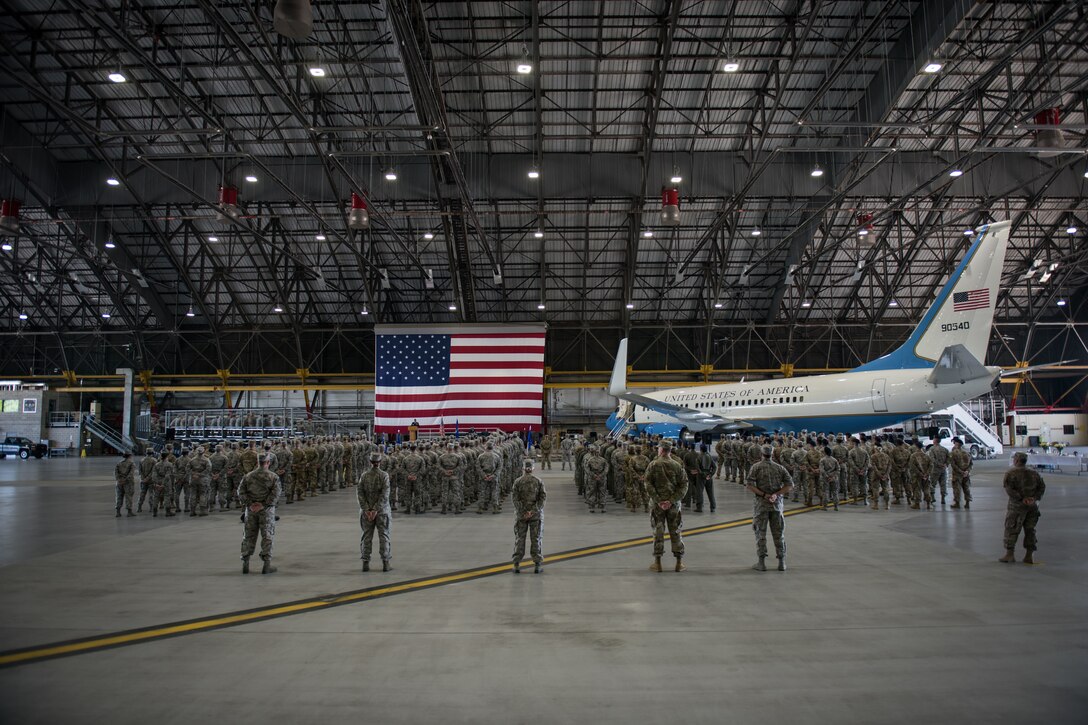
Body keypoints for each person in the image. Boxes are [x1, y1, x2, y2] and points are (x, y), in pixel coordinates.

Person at [746, 444, 793, 571]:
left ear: (761, 454)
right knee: (779, 534)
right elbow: (789, 484)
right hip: (777, 505)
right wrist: (776, 494)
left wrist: (765, 495)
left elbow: (749, 485)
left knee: (760, 533)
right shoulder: (780, 468)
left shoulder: (756, 467)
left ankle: (761, 563)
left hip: (761, 505)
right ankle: (781, 562)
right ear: (772, 454)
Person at [644, 440, 687, 572]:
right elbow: (684, 485)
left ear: (661, 450)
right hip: (673, 505)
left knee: (658, 531)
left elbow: (647, 484)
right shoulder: (677, 465)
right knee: (676, 532)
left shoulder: (653, 464)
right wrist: (671, 500)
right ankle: (679, 563)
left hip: (658, 506)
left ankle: (658, 563)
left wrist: (659, 500)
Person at [237, 452, 281, 574]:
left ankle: (245, 562)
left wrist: (250, 504)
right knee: (267, 536)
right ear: (268, 463)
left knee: (248, 536)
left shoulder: (248, 476)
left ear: (257, 462)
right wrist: (263, 505)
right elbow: (276, 494)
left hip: (251, 511)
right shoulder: (273, 477)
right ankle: (266, 565)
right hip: (266, 511)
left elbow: (240, 492)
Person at [999, 452, 1045, 564]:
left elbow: (1009, 489)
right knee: (1030, 530)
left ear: (1017, 460)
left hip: (1017, 507)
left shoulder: (1011, 473)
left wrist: (1021, 499)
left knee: (1012, 529)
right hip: (1032, 506)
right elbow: (1042, 487)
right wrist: (1034, 498)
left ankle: (1010, 555)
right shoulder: (1034, 473)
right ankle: (1029, 556)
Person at [358, 451, 393, 572]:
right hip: (382, 512)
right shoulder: (384, 475)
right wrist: (377, 509)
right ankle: (385, 562)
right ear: (380, 462)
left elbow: (360, 494)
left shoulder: (364, 476)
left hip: (366, 513)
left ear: (370, 462)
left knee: (366, 536)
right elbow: (385, 495)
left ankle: (365, 562)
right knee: (384, 535)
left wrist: (367, 509)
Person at [511, 458, 547, 574]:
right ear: (532, 468)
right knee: (536, 538)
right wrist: (533, 511)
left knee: (519, 539)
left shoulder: (518, 481)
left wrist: (523, 511)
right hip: (535, 516)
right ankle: (537, 564)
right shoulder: (538, 481)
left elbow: (515, 499)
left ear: (523, 468)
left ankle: (516, 564)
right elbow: (542, 498)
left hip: (521, 516)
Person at [949, 438, 973, 509]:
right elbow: (971, 464)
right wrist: (967, 471)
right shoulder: (967, 453)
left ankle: (957, 503)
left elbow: (953, 465)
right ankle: (967, 502)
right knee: (966, 488)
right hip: (966, 474)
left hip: (957, 474)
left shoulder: (953, 453)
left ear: (956, 444)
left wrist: (961, 472)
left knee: (957, 488)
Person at [114, 452, 137, 517]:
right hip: (128, 483)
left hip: (119, 482)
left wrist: (119, 480)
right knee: (129, 496)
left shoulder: (119, 463)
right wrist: (125, 480)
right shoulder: (131, 463)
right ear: (130, 456)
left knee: (119, 496)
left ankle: (118, 512)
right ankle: (129, 512)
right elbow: (131, 473)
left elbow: (116, 472)